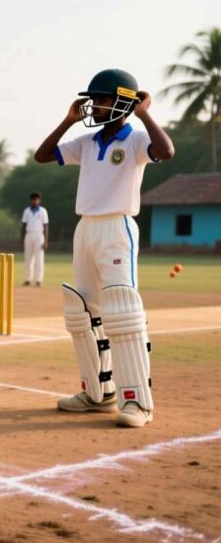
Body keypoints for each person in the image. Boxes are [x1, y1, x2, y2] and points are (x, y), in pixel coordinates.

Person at [33, 68, 174, 428]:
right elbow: (42, 155)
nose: (94, 105)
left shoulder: (136, 139)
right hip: (86, 228)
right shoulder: (88, 141)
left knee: (122, 311)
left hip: (117, 226)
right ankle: (99, 394)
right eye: (93, 99)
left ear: (123, 103)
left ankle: (138, 402)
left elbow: (166, 151)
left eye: (102, 99)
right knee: (83, 313)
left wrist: (142, 113)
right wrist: (67, 120)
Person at [21, 192, 49, 286]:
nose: (35, 201)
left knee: (39, 258)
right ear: (31, 200)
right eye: (33, 199)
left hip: (39, 235)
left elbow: (45, 226)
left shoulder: (43, 211)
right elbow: (23, 225)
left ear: (39, 200)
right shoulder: (27, 211)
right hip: (29, 235)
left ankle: (39, 280)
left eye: (37, 199)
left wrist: (45, 241)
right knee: (28, 257)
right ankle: (28, 279)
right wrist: (22, 239)